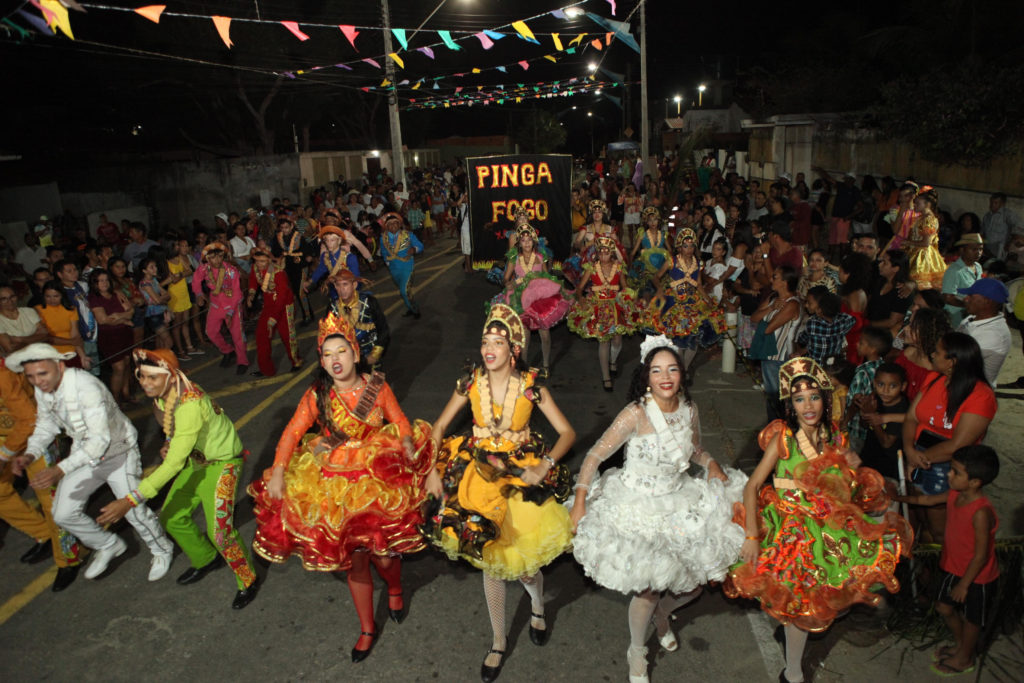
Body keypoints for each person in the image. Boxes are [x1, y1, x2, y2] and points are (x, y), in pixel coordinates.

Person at [249, 312, 434, 659]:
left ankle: (395, 586)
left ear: (356, 354)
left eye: (341, 352)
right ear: (321, 359)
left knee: (382, 553)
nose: (335, 360)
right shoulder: (317, 394)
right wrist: (277, 470)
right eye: (327, 354)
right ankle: (366, 626)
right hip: (333, 485)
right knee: (356, 561)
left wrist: (407, 444)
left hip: (375, 479)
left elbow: (401, 422)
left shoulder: (376, 386)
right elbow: (291, 433)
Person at [569, 336, 746, 683]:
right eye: (657, 370)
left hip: (678, 499)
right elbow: (594, 455)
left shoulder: (689, 408)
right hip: (636, 504)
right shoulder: (635, 413)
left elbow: (695, 449)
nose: (665, 377)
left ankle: (663, 615)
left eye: (672, 369)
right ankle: (637, 651)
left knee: (694, 583)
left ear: (682, 373)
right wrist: (579, 502)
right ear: (646, 376)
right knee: (647, 589)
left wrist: (709, 462)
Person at [725, 356, 911, 683]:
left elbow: (841, 487)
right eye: (798, 399)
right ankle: (793, 674)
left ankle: (791, 638)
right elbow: (753, 486)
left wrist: (853, 473)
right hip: (790, 532)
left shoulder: (834, 436)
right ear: (790, 404)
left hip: (826, 530)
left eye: (813, 396)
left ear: (825, 399)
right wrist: (752, 537)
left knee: (834, 596)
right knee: (803, 603)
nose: (807, 405)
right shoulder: (783, 436)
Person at [423, 304, 575, 682]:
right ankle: (498, 639)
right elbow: (439, 426)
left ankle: (537, 606)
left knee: (525, 568)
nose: (489, 349)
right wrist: (429, 470)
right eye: (485, 342)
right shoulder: (470, 382)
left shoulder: (531, 387)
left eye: (497, 342)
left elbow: (567, 433)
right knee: (491, 563)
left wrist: (546, 464)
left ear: (514, 350)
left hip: (519, 479)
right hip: (477, 480)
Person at [93, 348, 260, 609]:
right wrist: (170, 440)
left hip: (223, 464)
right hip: (197, 460)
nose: (145, 383)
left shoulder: (189, 404)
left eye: (152, 378)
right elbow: (171, 425)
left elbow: (172, 464)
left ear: (170, 376)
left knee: (220, 533)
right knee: (171, 517)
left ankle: (247, 579)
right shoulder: (167, 394)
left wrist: (130, 500)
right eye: (141, 376)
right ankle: (205, 559)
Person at [6, 343, 175, 581]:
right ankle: (107, 544)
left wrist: (59, 470)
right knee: (62, 513)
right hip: (85, 456)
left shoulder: (86, 387)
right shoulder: (43, 389)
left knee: (133, 510)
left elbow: (99, 441)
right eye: (31, 376)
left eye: (42, 373)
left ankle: (162, 549)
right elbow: (46, 425)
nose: (38, 381)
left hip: (119, 453)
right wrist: (30, 454)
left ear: (60, 366)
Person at [896, 445, 1000, 677]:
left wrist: (964, 584)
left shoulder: (980, 512)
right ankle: (963, 645)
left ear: (975, 482)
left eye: (955, 472)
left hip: (977, 576)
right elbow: (927, 500)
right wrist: (901, 497)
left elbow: (981, 555)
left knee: (973, 619)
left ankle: (964, 657)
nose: (948, 475)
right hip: (953, 567)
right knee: (944, 607)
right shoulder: (955, 493)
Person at [902, 332, 996, 543]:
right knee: (919, 520)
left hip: (947, 467)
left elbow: (958, 445)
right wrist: (909, 450)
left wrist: (918, 459)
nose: (932, 355)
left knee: (939, 532)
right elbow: (911, 418)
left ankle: (940, 570)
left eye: (938, 352)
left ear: (953, 362)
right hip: (918, 455)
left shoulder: (981, 396)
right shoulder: (934, 378)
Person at [0, 355, 83, 591]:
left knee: (51, 501)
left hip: (36, 440)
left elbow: (28, 420)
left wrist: (4, 455)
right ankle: (43, 533)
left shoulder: (4, 375)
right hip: (7, 442)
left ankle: (68, 559)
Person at [645, 229, 727, 381]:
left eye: (691, 246)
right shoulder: (672, 261)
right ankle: (680, 372)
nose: (689, 249)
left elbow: (699, 285)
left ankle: (684, 369)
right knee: (679, 341)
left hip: (692, 303)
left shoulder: (698, 263)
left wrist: (708, 302)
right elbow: (656, 277)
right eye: (685, 246)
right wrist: (661, 290)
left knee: (693, 340)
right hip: (674, 303)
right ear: (679, 247)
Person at [492, 223, 571, 376]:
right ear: (519, 243)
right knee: (525, 336)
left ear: (534, 242)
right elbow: (506, 278)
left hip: (540, 298)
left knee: (545, 334)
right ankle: (524, 367)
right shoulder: (515, 258)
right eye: (523, 240)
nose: (526, 243)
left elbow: (546, 276)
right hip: (521, 299)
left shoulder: (541, 257)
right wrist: (508, 284)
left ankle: (546, 365)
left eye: (529, 240)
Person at [568, 236, 640, 391]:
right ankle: (606, 376)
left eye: (606, 252)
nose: (603, 255)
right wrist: (581, 299)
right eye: (600, 252)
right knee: (603, 341)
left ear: (612, 253)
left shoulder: (619, 267)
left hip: (615, 306)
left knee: (617, 341)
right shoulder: (591, 267)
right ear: (597, 253)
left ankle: (613, 361)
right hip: (598, 307)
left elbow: (625, 286)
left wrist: (630, 299)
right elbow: (580, 288)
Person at [749, 266, 802, 420]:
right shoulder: (772, 298)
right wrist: (771, 307)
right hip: (769, 354)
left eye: (775, 277)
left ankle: (778, 428)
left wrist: (767, 314)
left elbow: (768, 328)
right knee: (772, 396)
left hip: (781, 356)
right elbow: (754, 318)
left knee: (778, 397)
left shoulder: (792, 304)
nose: (771, 279)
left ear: (785, 282)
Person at [192, 244, 248, 374]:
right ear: (207, 258)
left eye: (219, 257)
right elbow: (195, 281)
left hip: (232, 306)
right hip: (216, 305)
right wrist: (199, 294)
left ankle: (242, 361)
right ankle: (227, 350)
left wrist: (230, 312)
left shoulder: (231, 271)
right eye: (212, 258)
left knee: (237, 336)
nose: (216, 261)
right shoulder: (204, 269)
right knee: (211, 332)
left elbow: (238, 294)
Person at [245, 248, 301, 377]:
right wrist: (251, 294)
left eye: (263, 261)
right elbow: (253, 281)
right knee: (261, 336)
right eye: (257, 261)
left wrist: (274, 318)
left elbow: (281, 298)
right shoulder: (255, 268)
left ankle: (296, 361)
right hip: (269, 305)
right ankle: (266, 369)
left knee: (286, 335)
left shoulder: (278, 273)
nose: (260, 264)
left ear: (269, 260)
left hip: (284, 306)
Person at [87, 269, 135, 404]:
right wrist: (125, 319)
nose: (104, 283)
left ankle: (126, 393)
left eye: (106, 280)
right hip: (109, 336)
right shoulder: (94, 298)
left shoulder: (117, 293)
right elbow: (103, 320)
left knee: (126, 363)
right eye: (100, 280)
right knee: (118, 367)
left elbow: (130, 311)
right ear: (94, 283)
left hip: (124, 333)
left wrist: (120, 316)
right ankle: (115, 398)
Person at [328, 266, 389, 371]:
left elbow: (383, 329)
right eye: (338, 285)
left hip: (371, 353)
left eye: (345, 284)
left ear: (354, 285)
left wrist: (375, 355)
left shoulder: (369, 302)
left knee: (375, 386)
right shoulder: (332, 308)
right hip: (348, 357)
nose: (342, 289)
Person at [843, 326, 892, 453]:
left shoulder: (862, 373)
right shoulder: (884, 368)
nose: (857, 344)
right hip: (871, 431)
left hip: (855, 429)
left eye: (861, 342)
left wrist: (844, 422)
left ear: (872, 349)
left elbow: (856, 402)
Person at [857, 362, 910, 482]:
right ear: (875, 383)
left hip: (888, 465)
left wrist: (873, 417)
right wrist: (865, 411)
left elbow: (887, 443)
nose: (885, 390)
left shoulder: (902, 408)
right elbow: (864, 425)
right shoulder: (875, 398)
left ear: (903, 386)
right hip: (869, 456)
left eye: (892, 386)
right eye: (881, 384)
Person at [955, 278, 1011, 386]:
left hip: (972, 390)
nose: (965, 299)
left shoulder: (993, 334)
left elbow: (954, 361)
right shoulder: (973, 317)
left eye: (971, 296)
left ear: (987, 301)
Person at [379, 212, 424, 319]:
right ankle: (410, 307)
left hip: (407, 266)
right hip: (394, 269)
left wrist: (414, 249)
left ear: (400, 225)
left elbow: (420, 245)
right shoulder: (383, 238)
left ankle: (415, 309)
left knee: (404, 291)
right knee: (403, 291)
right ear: (386, 226)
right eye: (390, 224)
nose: (393, 225)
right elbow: (384, 252)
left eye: (395, 223)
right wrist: (388, 263)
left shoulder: (408, 235)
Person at [35, 282, 89, 369]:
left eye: (56, 296)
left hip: (70, 352)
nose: (52, 300)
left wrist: (83, 356)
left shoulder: (71, 309)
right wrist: (71, 341)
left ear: (62, 295)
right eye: (48, 296)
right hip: (50, 354)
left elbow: (75, 336)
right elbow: (44, 337)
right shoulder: (37, 310)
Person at [796, 286, 855, 363]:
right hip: (830, 367)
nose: (806, 305)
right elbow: (852, 319)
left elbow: (801, 340)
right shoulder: (842, 323)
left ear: (819, 309)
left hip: (813, 366)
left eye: (809, 303)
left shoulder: (812, 324)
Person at [272, 216, 314, 326]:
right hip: (288, 267)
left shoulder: (298, 237)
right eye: (282, 228)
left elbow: (307, 249)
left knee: (301, 292)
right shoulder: (278, 238)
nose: (285, 230)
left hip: (300, 265)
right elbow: (275, 251)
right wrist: (278, 258)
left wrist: (309, 256)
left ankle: (308, 316)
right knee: (296, 291)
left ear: (291, 226)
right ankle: (308, 314)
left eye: (287, 227)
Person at [904, 186, 946, 290]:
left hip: (922, 256)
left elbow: (926, 243)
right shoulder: (920, 217)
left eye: (917, 203)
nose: (914, 205)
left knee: (918, 283)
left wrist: (908, 243)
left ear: (927, 204)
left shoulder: (929, 219)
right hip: (914, 251)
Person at [941, 233, 985, 327]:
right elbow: (948, 298)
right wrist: (968, 305)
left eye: (980, 249)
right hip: (955, 312)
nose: (978, 253)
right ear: (962, 250)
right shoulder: (954, 270)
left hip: (970, 310)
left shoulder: (978, 267)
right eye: (974, 249)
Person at [167, 238, 200, 358]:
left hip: (184, 292)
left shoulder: (179, 259)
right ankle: (180, 351)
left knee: (185, 321)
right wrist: (181, 275)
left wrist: (180, 274)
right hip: (175, 295)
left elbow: (190, 270)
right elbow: (173, 279)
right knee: (177, 325)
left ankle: (189, 346)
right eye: (178, 245)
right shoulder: (167, 262)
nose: (180, 248)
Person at [137, 257, 174, 352]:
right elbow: (158, 299)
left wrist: (161, 299)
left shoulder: (154, 281)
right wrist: (162, 299)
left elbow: (167, 295)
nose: (155, 269)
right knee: (168, 341)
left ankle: (160, 362)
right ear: (144, 271)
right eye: (151, 267)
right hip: (154, 314)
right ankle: (164, 361)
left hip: (162, 311)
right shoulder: (145, 284)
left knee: (161, 340)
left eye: (155, 266)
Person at [0, 285, 50, 354]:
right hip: (17, 359)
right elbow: (10, 348)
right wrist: (36, 337)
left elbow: (46, 335)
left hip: (41, 353)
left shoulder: (29, 311)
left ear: (17, 296)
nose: (10, 301)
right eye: (4, 299)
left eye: (12, 297)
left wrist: (19, 340)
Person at [980, 192, 1020, 262]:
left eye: (996, 203)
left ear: (1002, 204)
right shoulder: (987, 216)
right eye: (991, 202)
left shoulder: (1007, 215)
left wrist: (1011, 242)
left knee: (998, 266)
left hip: (1001, 248)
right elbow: (982, 232)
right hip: (988, 248)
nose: (992, 205)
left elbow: (1018, 227)